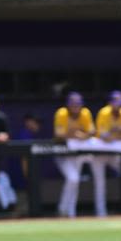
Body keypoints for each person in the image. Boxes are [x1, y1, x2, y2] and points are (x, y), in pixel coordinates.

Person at [52, 90, 101, 219]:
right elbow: (59, 135)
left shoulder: (85, 113)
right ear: (68, 104)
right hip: (63, 154)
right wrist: (77, 134)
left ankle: (67, 212)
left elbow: (91, 132)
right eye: (73, 104)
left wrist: (78, 134)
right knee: (73, 178)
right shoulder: (62, 113)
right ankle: (63, 210)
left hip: (78, 153)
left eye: (78, 104)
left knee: (75, 179)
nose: (75, 106)